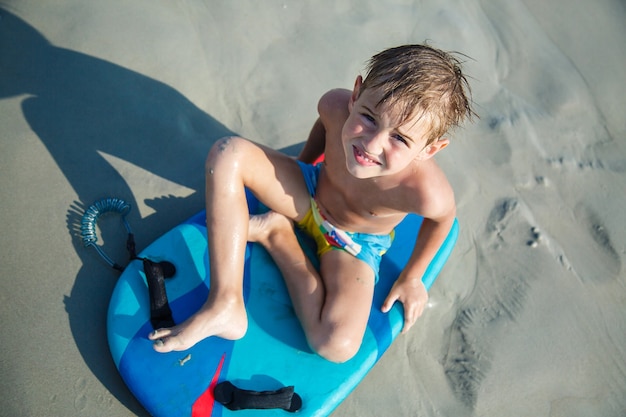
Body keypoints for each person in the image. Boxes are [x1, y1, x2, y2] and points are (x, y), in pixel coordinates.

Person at [149, 44, 474, 363]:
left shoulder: (426, 192)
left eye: (399, 138)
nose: (372, 145)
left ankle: (278, 236)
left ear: (430, 149)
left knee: (337, 345)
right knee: (227, 153)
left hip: (352, 242)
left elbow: (443, 219)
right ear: (356, 93)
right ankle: (224, 302)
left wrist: (413, 276)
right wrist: (298, 166)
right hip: (311, 191)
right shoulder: (335, 106)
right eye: (369, 118)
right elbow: (325, 127)